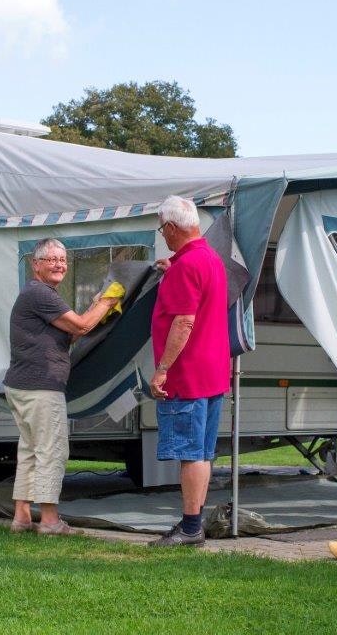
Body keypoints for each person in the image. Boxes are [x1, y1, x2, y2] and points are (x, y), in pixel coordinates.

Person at [4, 238, 121, 535]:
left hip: (22, 384)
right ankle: (50, 520)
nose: (59, 264)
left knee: (30, 450)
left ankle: (21, 518)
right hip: (41, 386)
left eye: (63, 259)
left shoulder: (37, 294)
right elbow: (81, 326)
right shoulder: (41, 293)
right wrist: (108, 301)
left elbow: (68, 335)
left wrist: (96, 308)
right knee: (51, 451)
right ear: (36, 264)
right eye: (51, 259)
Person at [148, 196, 230, 547]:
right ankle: (192, 523)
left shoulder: (187, 266)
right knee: (203, 452)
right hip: (213, 373)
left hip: (188, 376)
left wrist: (162, 369)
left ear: (170, 227)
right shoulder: (210, 259)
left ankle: (191, 526)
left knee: (190, 453)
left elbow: (183, 322)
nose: (163, 236)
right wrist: (172, 271)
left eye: (162, 229)